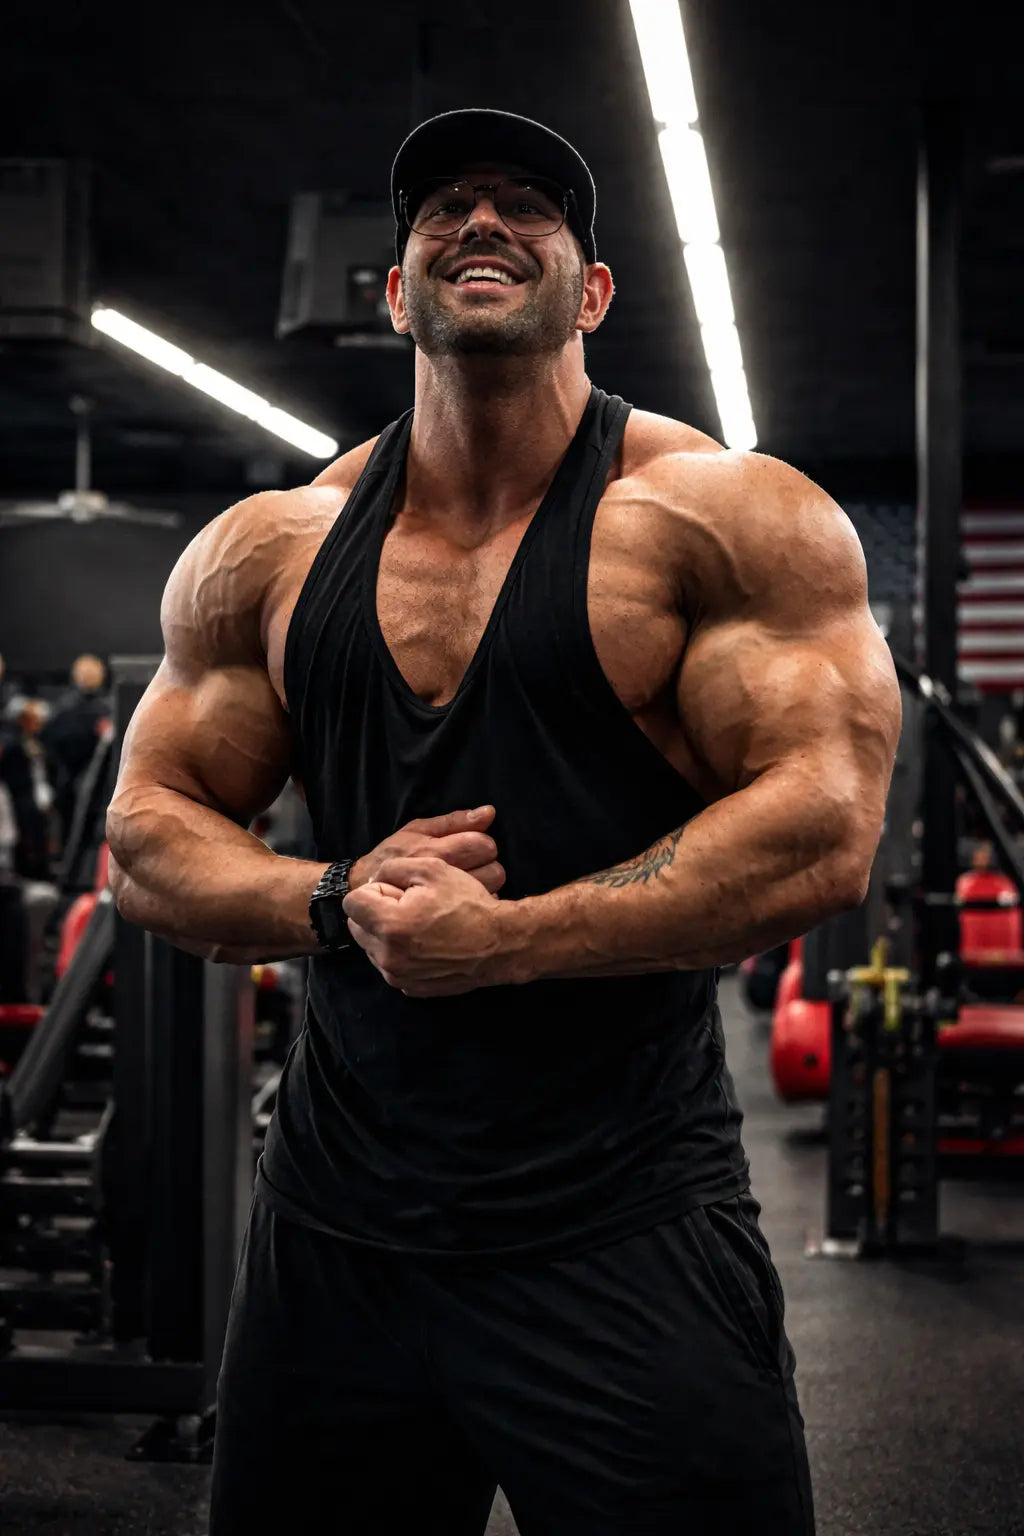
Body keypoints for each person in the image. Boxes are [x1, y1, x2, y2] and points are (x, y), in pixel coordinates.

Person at [106, 110, 901, 1535]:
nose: (481, 222)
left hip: (622, 1224)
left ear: (593, 292)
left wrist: (511, 941)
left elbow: (823, 828)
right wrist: (333, 898)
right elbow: (149, 829)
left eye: (527, 207)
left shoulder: (726, 517)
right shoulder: (271, 547)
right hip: (338, 1234)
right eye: (446, 208)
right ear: (393, 291)